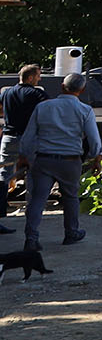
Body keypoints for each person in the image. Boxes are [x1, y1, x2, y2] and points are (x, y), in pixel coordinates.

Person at [17, 72, 100, 251]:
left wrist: (24, 156)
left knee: (38, 199)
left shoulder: (43, 107)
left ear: (62, 86)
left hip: (43, 160)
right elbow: (94, 140)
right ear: (82, 90)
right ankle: (71, 233)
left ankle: (31, 238)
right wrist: (95, 158)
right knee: (70, 198)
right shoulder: (85, 110)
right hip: (70, 162)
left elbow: (28, 136)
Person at [0, 63, 46, 233]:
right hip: (29, 139)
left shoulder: (6, 93)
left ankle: (0, 216)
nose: (39, 79)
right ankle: (32, 216)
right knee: (33, 176)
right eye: (38, 76)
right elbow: (47, 112)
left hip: (9, 138)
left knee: (3, 177)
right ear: (31, 77)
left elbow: (0, 110)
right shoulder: (37, 94)